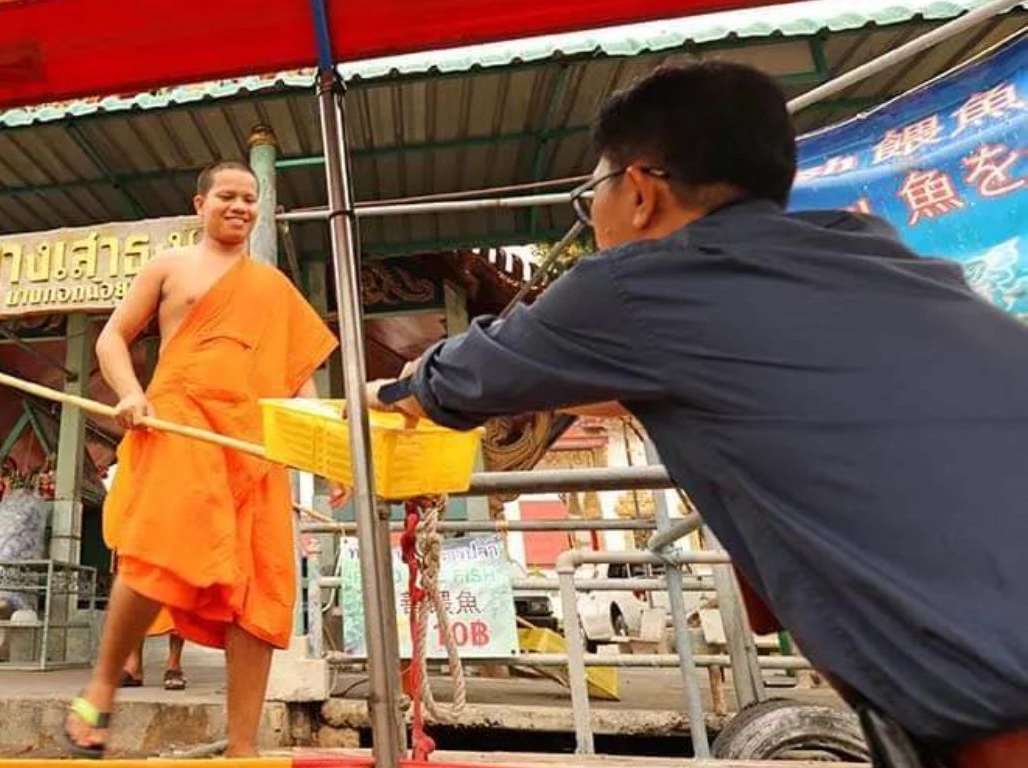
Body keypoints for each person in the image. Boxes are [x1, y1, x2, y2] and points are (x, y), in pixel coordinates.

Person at [367, 61, 1028, 767]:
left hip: (990, 713)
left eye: (593, 195)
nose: (594, 221)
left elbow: (457, 382)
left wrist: (396, 384)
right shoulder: (870, 255)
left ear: (642, 193)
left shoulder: (634, 290)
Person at [63, 161, 340, 758]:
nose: (239, 207)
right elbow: (112, 338)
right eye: (227, 196)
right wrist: (130, 393)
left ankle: (243, 746)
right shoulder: (169, 267)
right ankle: (102, 686)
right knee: (154, 556)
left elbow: (301, 381)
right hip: (178, 429)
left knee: (259, 590)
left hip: (255, 449)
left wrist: (324, 455)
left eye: (250, 199)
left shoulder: (272, 288)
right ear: (200, 204)